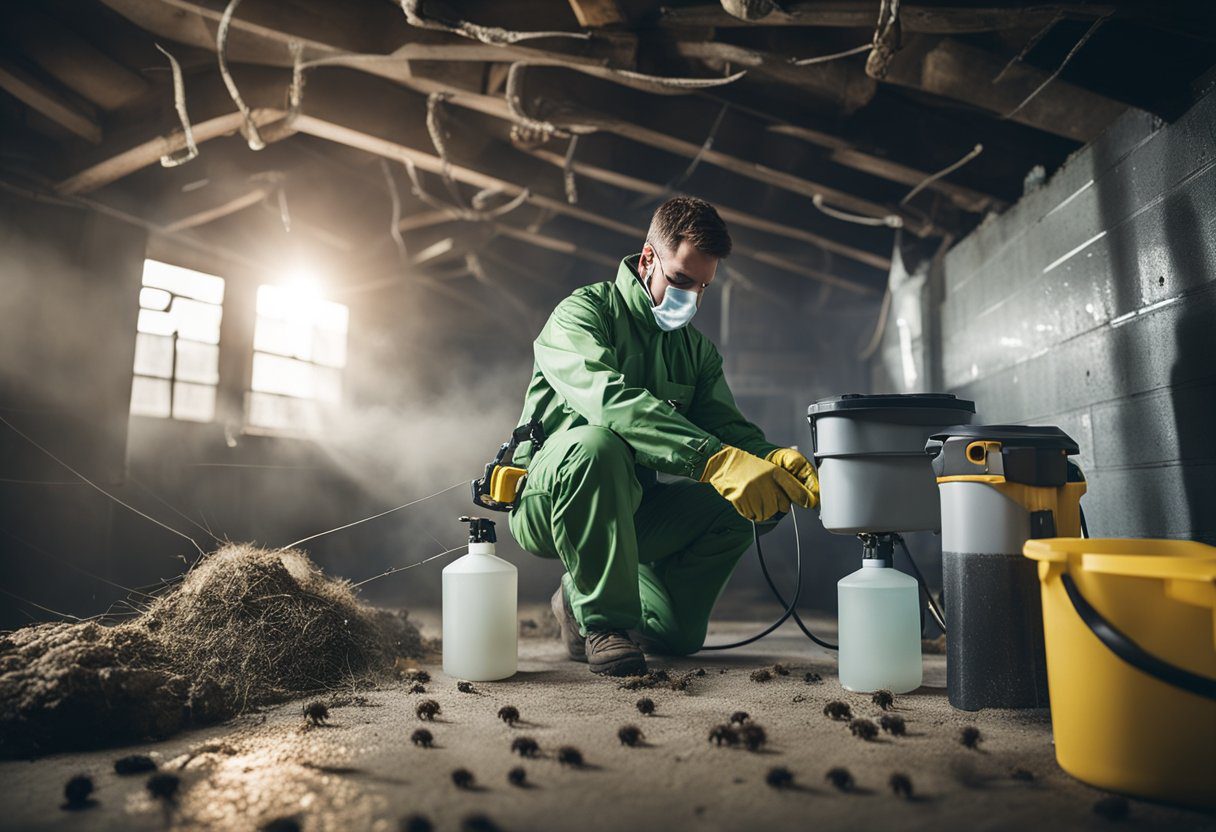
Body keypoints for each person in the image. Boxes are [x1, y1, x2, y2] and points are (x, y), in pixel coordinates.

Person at [507, 197, 819, 676]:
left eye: (702, 288)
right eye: (680, 280)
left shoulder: (694, 351)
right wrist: (714, 462)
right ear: (648, 258)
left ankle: (590, 592)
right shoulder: (582, 315)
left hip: (631, 509)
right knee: (598, 445)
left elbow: (726, 427)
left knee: (752, 503)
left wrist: (770, 457)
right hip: (547, 499)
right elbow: (610, 402)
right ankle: (604, 621)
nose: (690, 299)